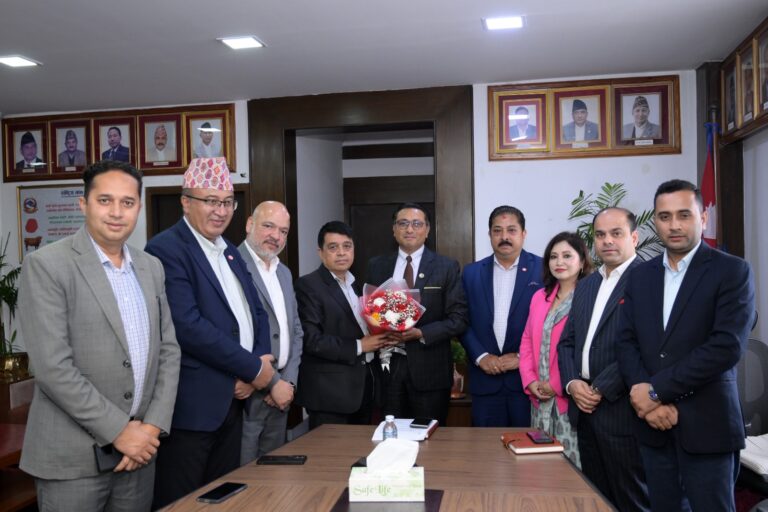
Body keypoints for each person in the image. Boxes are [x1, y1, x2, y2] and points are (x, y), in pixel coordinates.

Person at [17, 160, 181, 512]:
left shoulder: (151, 267)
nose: (117, 212)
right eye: (105, 200)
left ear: (138, 207)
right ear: (84, 204)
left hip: (139, 455)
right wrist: (121, 431)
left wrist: (150, 429)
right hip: (72, 461)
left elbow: (169, 351)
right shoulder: (47, 265)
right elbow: (52, 368)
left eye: (127, 202)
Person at [617, 179, 756, 512]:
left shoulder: (732, 271)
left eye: (684, 215)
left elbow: (726, 347)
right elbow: (626, 341)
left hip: (708, 425)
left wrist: (656, 392)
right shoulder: (640, 276)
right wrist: (646, 399)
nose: (674, 225)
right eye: (664, 217)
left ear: (703, 218)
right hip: (652, 427)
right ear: (655, 222)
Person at [145, 157, 274, 509]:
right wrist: (253, 368)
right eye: (211, 201)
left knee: (222, 499)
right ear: (185, 202)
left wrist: (259, 364)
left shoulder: (229, 250)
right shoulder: (166, 249)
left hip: (234, 402)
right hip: (193, 407)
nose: (221, 211)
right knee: (182, 501)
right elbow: (188, 326)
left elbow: (257, 312)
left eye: (228, 202)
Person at [558, 207, 650, 512]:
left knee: (632, 499)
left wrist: (599, 388)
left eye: (616, 233)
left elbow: (645, 346)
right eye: (600, 235)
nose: (607, 241)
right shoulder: (586, 284)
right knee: (597, 497)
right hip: (583, 409)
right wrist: (572, 384)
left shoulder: (649, 280)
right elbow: (567, 341)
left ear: (634, 237)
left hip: (621, 409)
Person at [366, 203, 468, 426]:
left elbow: (458, 318)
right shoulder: (376, 265)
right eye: (403, 223)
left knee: (429, 436)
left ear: (427, 229)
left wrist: (421, 333)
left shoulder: (446, 266)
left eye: (416, 224)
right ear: (394, 230)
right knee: (391, 436)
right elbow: (370, 310)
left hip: (430, 372)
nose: (409, 229)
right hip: (388, 370)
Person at [295, 221, 394, 429]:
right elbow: (312, 340)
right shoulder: (308, 285)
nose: (341, 253)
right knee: (331, 450)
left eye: (347, 246)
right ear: (321, 253)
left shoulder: (357, 285)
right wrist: (360, 345)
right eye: (333, 247)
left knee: (361, 448)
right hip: (330, 394)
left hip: (364, 387)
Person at [461, 206, 543, 427]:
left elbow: (551, 324)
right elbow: (461, 321)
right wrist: (480, 356)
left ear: (523, 234)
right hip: (484, 381)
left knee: (527, 445)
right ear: (489, 235)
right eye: (497, 230)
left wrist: (522, 357)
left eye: (511, 230)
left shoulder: (543, 269)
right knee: (485, 446)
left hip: (527, 382)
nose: (504, 237)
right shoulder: (471, 273)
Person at [519, 231, 591, 467]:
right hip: (538, 398)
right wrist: (530, 380)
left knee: (571, 468)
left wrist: (557, 384)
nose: (559, 262)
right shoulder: (540, 296)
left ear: (582, 261)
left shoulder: (589, 297)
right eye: (553, 256)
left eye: (567, 256)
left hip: (569, 399)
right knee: (539, 465)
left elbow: (585, 348)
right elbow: (527, 340)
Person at [239, 201, 303, 463]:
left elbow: (296, 330)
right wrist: (272, 383)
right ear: (249, 224)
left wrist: (288, 382)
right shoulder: (231, 265)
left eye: (283, 231)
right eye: (268, 226)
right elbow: (232, 332)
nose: (276, 236)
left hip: (281, 396)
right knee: (241, 472)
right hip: (247, 392)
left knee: (274, 472)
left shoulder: (284, 272)